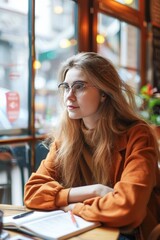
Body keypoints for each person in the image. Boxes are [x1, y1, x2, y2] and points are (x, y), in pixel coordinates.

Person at [24, 52, 160, 240]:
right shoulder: (66, 139)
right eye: (66, 87)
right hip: (82, 231)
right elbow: (33, 192)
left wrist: (73, 207)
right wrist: (95, 190)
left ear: (104, 93)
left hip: (128, 234)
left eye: (79, 87)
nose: (69, 97)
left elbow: (128, 208)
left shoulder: (137, 135)